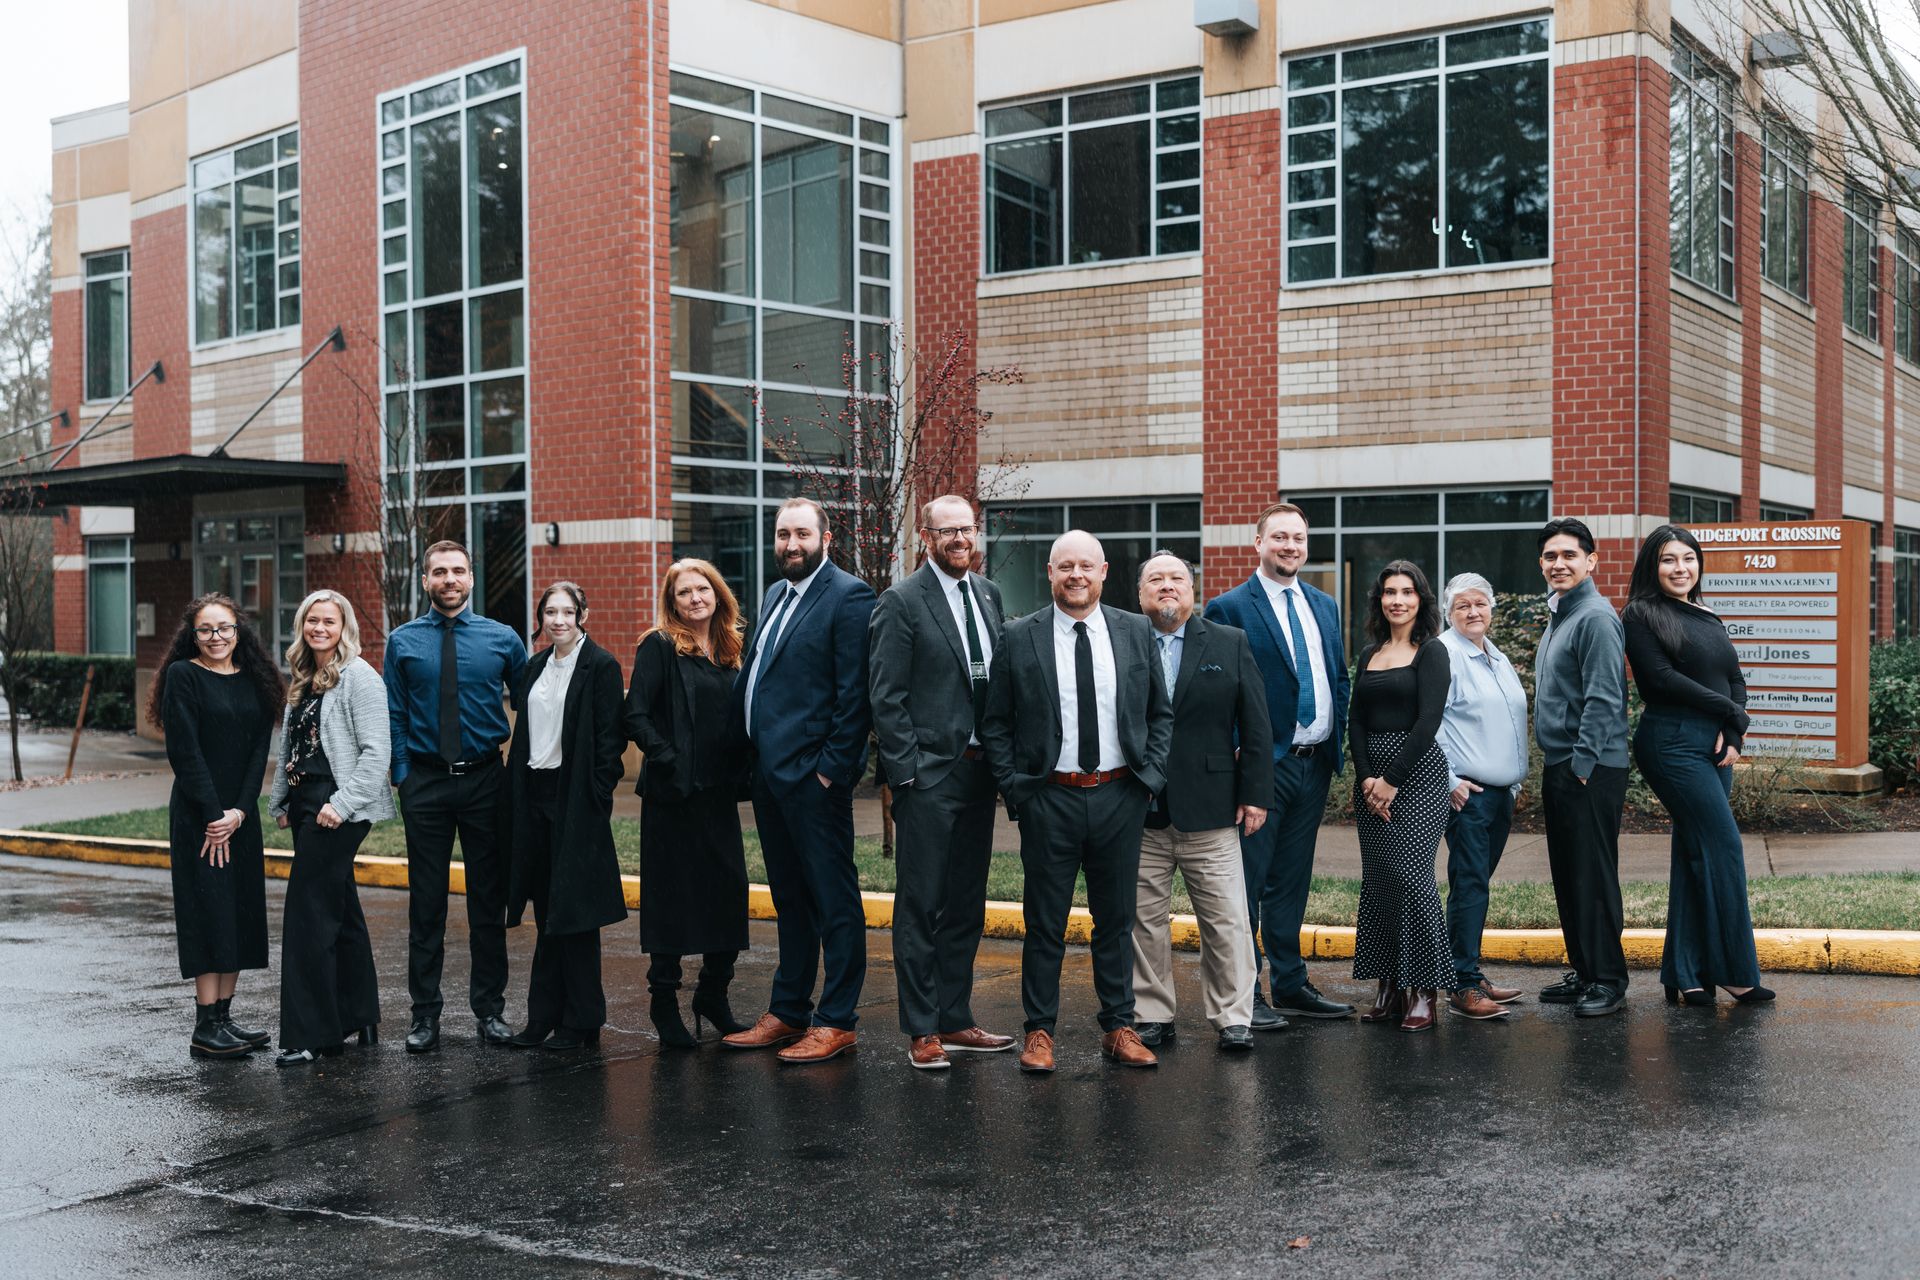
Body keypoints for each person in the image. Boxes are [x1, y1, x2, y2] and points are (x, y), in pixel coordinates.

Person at [981, 529, 1173, 1073]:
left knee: (1116, 920)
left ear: (1104, 571)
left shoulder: (1135, 631)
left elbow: (1160, 712)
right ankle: (1039, 1032)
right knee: (1046, 922)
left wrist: (1148, 778)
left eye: (1086, 566)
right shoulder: (1020, 636)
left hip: (1120, 794)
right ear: (1050, 573)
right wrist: (1017, 787)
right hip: (1050, 799)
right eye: (1065, 567)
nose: (1076, 576)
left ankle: (1118, 1026)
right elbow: (996, 723)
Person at [721, 497, 877, 1064]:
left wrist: (831, 773)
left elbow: (854, 696)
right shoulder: (775, 594)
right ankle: (789, 1011)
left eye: (802, 534)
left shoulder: (849, 596)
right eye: (784, 534)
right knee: (790, 898)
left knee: (833, 901)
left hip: (815, 782)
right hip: (770, 777)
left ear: (826, 538)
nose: (791, 544)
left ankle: (837, 1019)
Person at [868, 495, 1017, 1069]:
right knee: (922, 905)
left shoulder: (987, 593)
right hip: (929, 777)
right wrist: (908, 775)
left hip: (981, 774)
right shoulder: (901, 602)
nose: (959, 539)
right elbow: (886, 696)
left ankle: (955, 1019)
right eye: (947, 530)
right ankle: (922, 1028)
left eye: (967, 529)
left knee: (965, 905)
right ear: (926, 535)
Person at [1203, 502, 1355, 1024]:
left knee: (1292, 880)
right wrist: (1241, 753)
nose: (1290, 546)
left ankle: (1291, 984)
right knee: (1247, 882)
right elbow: (1216, 691)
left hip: (1314, 765)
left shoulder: (1324, 604)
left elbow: (1338, 676)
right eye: (1280, 538)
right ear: (1258, 543)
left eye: (1298, 538)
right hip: (1262, 769)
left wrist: (1340, 742)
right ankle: (1246, 994)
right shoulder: (1229, 607)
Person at [383, 540, 528, 1053]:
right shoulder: (402, 642)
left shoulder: (504, 639)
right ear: (425, 581)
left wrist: (518, 776)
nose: (449, 579)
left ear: (472, 577)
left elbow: (532, 706)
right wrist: (402, 773)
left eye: (458, 571)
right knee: (427, 906)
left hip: (487, 780)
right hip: (425, 782)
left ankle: (490, 1011)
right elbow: (394, 713)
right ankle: (425, 1016)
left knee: (488, 902)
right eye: (439, 572)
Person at [1622, 525, 1772, 1006]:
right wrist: (1729, 713)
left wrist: (1733, 731)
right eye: (1669, 559)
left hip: (1713, 746)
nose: (1680, 568)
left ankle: (1684, 974)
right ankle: (1734, 971)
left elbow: (1733, 677)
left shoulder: (1706, 613)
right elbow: (1660, 681)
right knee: (1724, 847)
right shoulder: (1641, 614)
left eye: (1688, 558)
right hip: (1670, 744)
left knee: (1694, 854)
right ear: (1653, 565)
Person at [1129, 552, 1271, 1052]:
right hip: (1138, 807)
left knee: (1228, 920)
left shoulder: (1228, 642)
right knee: (1143, 919)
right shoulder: (1122, 639)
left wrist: (1256, 793)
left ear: (1192, 589)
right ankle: (1151, 1013)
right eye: (1156, 580)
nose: (1167, 587)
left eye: (1176, 579)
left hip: (1213, 806)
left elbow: (1256, 723)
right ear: (1141, 592)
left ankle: (1234, 1016)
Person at [150, 593, 286, 1060]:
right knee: (208, 913)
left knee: (240, 913)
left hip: (239, 818)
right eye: (205, 630)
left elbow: (256, 756)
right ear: (193, 634)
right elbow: (184, 753)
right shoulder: (182, 676)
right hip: (198, 817)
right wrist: (213, 817)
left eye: (224, 628)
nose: (215, 638)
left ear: (238, 631)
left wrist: (241, 812)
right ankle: (205, 1024)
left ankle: (225, 1017)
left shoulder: (254, 681)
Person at [625, 558, 752, 1047]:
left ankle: (713, 996)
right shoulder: (658, 646)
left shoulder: (731, 647)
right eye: (684, 593)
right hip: (672, 797)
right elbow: (635, 714)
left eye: (703, 589)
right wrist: (669, 758)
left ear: (718, 594)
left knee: (727, 895)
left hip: (719, 794)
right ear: (671, 601)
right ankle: (664, 1005)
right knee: (673, 900)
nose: (695, 598)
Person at [268, 590, 392, 1066]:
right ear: (302, 626)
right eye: (312, 621)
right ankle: (359, 1014)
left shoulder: (360, 677)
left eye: (329, 621)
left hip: (338, 805)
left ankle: (312, 1035)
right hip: (305, 804)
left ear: (345, 628)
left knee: (307, 915)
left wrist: (340, 804)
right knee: (340, 907)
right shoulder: (302, 677)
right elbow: (290, 747)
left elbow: (376, 753)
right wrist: (281, 799)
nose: (320, 628)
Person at [504, 582, 629, 1052]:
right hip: (532, 797)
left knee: (575, 914)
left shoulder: (600, 666)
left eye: (567, 611)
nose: (558, 620)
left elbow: (610, 743)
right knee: (546, 912)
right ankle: (543, 1019)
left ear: (583, 615)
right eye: (550, 612)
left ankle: (582, 1023)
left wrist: (597, 796)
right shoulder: (535, 665)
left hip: (574, 798)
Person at [1348, 561, 1459, 1032]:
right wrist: (1368, 777)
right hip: (1372, 777)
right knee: (1378, 879)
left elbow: (1428, 720)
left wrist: (1391, 778)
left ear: (1421, 600)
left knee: (1411, 877)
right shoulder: (1369, 653)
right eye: (1390, 592)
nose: (1398, 600)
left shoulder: (1431, 652)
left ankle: (1423, 990)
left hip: (1416, 775)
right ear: (1380, 601)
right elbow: (1355, 720)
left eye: (1407, 592)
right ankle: (1389, 985)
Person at [1533, 517, 1631, 1017]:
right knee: (1570, 875)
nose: (1558, 564)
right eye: (1550, 556)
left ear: (1591, 561)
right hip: (1564, 764)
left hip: (1588, 767)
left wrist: (1583, 765)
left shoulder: (1594, 616)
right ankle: (1586, 970)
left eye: (1569, 555)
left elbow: (1603, 696)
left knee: (1591, 876)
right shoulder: (1562, 615)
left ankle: (1609, 979)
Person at [1434, 573, 1529, 1019]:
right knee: (1470, 885)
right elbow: (1429, 724)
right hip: (1467, 794)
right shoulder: (1446, 655)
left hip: (1500, 794)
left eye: (1480, 604)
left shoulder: (1494, 655)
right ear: (1448, 614)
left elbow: (1509, 720)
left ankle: (1465, 969)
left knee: (1475, 885)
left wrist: (1513, 781)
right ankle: (1462, 984)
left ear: (1491, 608)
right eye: (1462, 606)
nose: (1473, 612)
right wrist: (1450, 778)